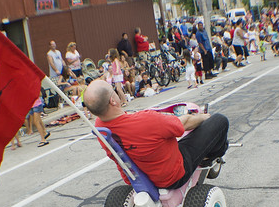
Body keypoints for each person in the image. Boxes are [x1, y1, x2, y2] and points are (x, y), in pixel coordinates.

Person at [83, 80, 229, 189]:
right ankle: (210, 157)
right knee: (220, 121)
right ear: (113, 101)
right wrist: (203, 117)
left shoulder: (100, 128)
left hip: (141, 177)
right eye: (113, 89)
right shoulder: (145, 120)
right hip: (173, 175)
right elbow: (184, 124)